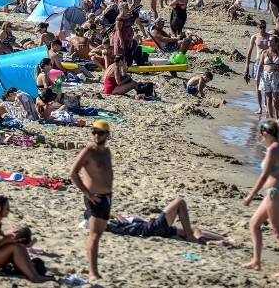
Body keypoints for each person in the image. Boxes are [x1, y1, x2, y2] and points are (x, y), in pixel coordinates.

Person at [241, 119, 279, 278]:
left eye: (262, 132)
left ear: (268, 132)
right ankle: (256, 261)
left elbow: (264, 176)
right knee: (254, 224)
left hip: (275, 193)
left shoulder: (273, 149)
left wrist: (250, 196)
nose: (261, 135)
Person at [69, 120, 113, 282]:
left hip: (107, 198)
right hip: (94, 198)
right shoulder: (89, 151)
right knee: (93, 236)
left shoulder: (107, 152)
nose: (96, 135)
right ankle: (92, 272)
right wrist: (87, 193)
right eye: (94, 132)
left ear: (107, 135)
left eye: (100, 132)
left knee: (99, 235)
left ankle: (94, 270)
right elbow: (73, 173)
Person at [100, 197, 234, 246]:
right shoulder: (114, 223)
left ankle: (220, 240)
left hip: (150, 226)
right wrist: (113, 213)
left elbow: (137, 219)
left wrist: (143, 219)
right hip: (150, 229)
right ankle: (191, 238)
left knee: (193, 228)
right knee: (179, 202)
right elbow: (125, 223)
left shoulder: (120, 219)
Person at [255, 46, 279, 118]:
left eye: (271, 41)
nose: (269, 43)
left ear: (276, 43)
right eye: (269, 41)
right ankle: (271, 117)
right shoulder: (264, 52)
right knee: (268, 97)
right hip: (266, 75)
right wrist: (257, 76)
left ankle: (276, 114)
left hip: (276, 75)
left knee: (276, 97)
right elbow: (260, 65)